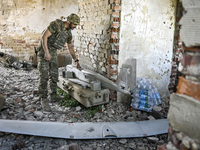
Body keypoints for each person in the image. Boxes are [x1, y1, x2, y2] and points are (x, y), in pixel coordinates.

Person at [37, 13, 81, 111]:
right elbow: (44, 37)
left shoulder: (69, 33)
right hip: (44, 50)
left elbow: (70, 47)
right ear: (69, 21)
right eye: (74, 24)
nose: (75, 26)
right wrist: (46, 52)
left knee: (54, 74)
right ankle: (43, 98)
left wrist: (76, 61)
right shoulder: (56, 25)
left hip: (52, 51)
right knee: (44, 75)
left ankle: (53, 95)